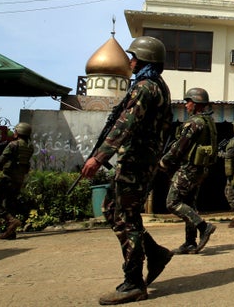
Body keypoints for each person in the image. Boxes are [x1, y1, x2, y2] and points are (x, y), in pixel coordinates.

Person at [80, 36, 174, 305]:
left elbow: (125, 125)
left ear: (146, 60)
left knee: (125, 217)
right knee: (112, 209)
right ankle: (155, 253)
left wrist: (98, 158)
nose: (130, 61)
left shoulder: (145, 88)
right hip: (139, 160)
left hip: (136, 162)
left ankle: (133, 282)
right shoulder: (157, 86)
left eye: (134, 57)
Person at [159, 87, 218, 254]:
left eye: (188, 102)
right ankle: (190, 242)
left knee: (173, 202)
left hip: (189, 169)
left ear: (197, 104)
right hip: (200, 169)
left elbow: (180, 147)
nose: (186, 106)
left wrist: (164, 161)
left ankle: (203, 226)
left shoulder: (194, 123)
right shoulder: (209, 122)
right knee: (189, 204)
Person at [0, 122, 34, 240]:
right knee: (9, 204)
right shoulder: (29, 147)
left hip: (7, 177)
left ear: (18, 132)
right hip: (19, 179)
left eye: (15, 131)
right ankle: (11, 232)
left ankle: (11, 221)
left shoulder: (13, 145)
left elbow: (1, 161)